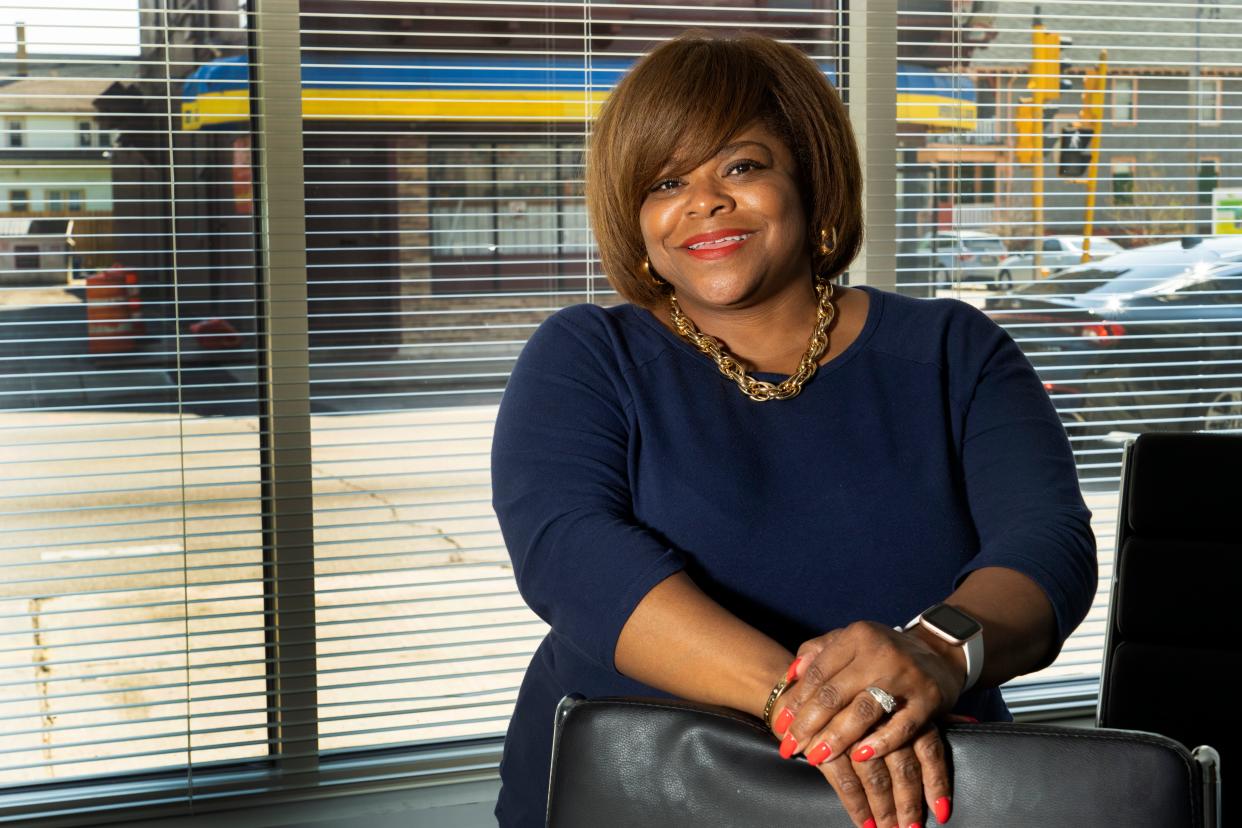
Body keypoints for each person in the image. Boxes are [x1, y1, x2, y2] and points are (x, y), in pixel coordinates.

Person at [490, 29, 1097, 828]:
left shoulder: (953, 350)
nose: (703, 202)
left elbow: (1046, 546)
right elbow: (571, 556)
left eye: (740, 166)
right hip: (633, 795)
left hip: (916, 803)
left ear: (808, 174)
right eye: (665, 181)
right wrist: (817, 709)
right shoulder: (585, 356)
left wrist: (934, 654)